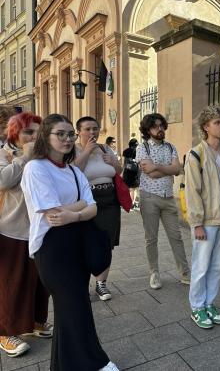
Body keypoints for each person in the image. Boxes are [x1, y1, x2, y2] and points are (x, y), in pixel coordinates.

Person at [20, 114, 118, 371]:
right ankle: (93, 362)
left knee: (74, 307)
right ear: (46, 137)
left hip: (76, 243)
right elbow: (51, 212)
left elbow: (93, 208)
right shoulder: (36, 168)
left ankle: (67, 364)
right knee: (72, 305)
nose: (66, 139)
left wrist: (74, 213)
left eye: (69, 134)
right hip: (51, 248)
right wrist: (81, 207)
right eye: (60, 134)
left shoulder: (74, 171)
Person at [0, 112, 52, 357]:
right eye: (28, 132)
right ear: (15, 134)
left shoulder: (45, 156)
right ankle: (5, 332)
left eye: (37, 132)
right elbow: (2, 181)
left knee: (40, 281)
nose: (34, 136)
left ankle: (36, 321)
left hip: (40, 228)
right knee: (12, 282)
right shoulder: (4, 154)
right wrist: (24, 158)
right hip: (11, 230)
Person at [185, 106, 220, 329]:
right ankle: (197, 307)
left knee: (217, 266)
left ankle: (209, 302)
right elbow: (192, 191)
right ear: (206, 127)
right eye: (218, 122)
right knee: (200, 266)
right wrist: (196, 222)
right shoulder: (196, 154)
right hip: (206, 222)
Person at [136, 113, 190, 289]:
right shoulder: (142, 147)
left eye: (161, 125)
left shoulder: (170, 147)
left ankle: (185, 273)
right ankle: (154, 273)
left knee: (176, 237)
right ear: (147, 130)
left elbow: (177, 168)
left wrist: (157, 167)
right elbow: (151, 173)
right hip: (149, 197)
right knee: (151, 238)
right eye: (155, 126)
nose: (159, 129)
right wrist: (168, 169)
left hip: (168, 197)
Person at [74, 116, 122, 301]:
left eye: (95, 128)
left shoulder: (105, 148)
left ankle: (101, 284)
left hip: (110, 201)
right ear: (78, 131)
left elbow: (118, 171)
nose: (92, 132)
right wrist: (86, 152)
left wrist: (113, 161)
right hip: (86, 202)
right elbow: (74, 171)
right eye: (87, 129)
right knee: (85, 243)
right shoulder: (73, 149)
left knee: (105, 243)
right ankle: (82, 284)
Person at [122, 138, 140, 209]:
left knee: (129, 188)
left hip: (127, 172)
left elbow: (125, 163)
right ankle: (132, 202)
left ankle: (129, 202)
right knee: (133, 189)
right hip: (134, 173)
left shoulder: (125, 151)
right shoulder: (137, 151)